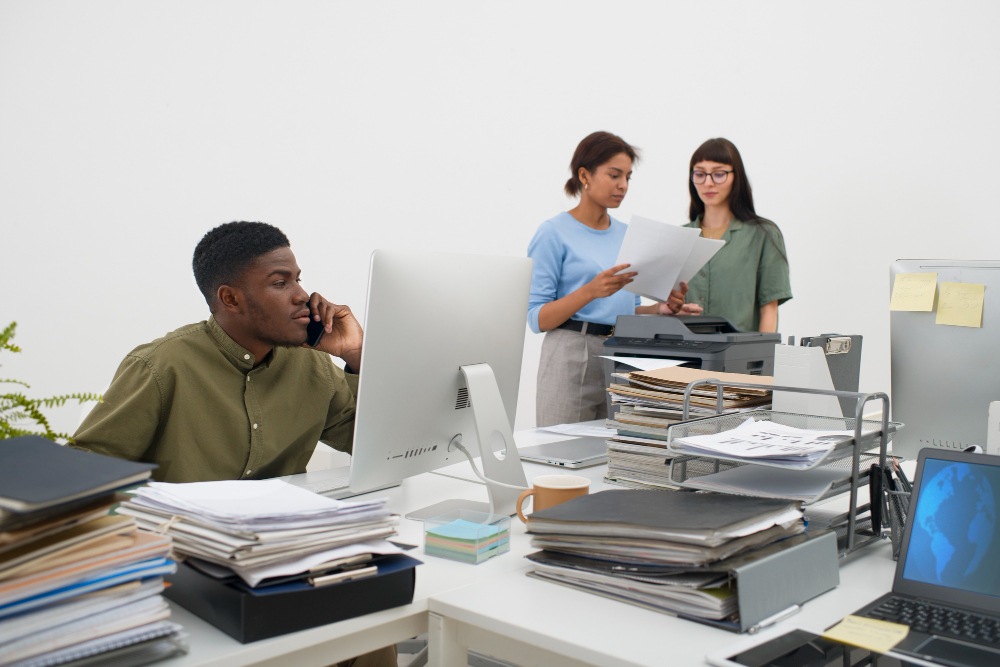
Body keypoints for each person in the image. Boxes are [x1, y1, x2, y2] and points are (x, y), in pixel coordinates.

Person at [73, 221, 396, 667]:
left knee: (371, 620)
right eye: (280, 283)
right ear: (230, 298)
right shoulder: (161, 367)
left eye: (298, 279)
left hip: (281, 550)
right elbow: (88, 471)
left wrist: (357, 357)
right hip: (186, 560)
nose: (302, 295)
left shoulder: (314, 367)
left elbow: (377, 445)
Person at [527, 131, 701, 427]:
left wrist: (660, 310)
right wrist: (590, 291)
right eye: (614, 175)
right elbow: (536, 318)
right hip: (570, 352)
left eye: (628, 178)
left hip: (619, 352)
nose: (622, 185)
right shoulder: (552, 232)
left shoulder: (626, 234)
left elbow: (627, 308)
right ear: (585, 175)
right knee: (560, 451)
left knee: (614, 452)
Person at [682, 138, 792, 333]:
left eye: (719, 174)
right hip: (683, 355)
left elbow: (769, 310)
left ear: (736, 176)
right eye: (700, 174)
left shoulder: (764, 234)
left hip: (739, 357)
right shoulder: (680, 236)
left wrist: (762, 358)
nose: (708, 183)